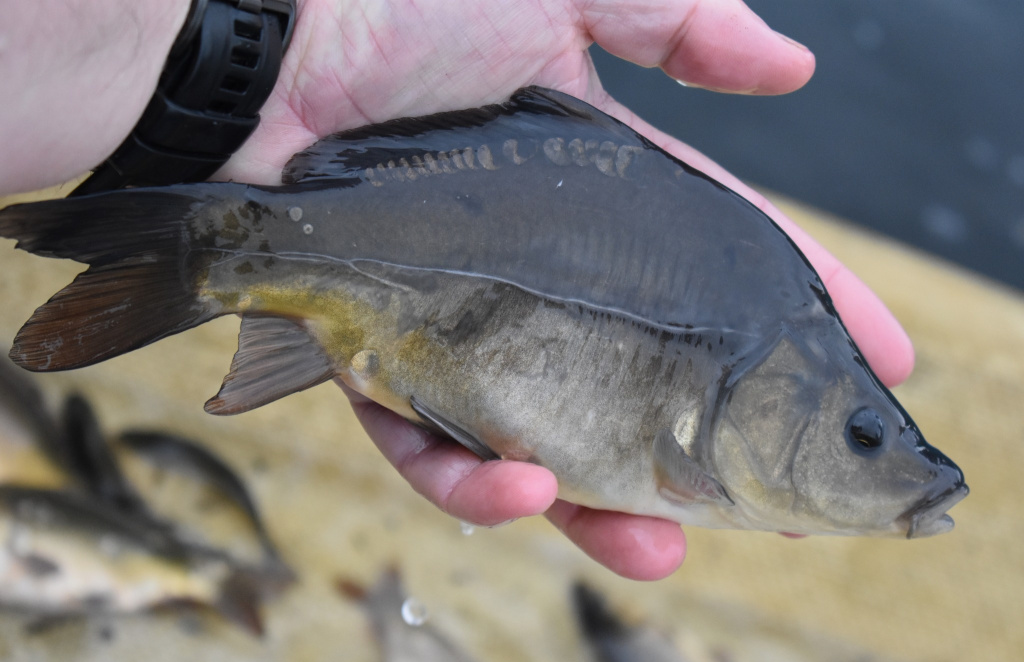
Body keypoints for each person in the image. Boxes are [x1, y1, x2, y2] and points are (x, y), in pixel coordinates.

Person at [0, 0, 915, 580]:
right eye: (861, 433)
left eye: (865, 434)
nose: (877, 455)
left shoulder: (766, 288)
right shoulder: (764, 296)